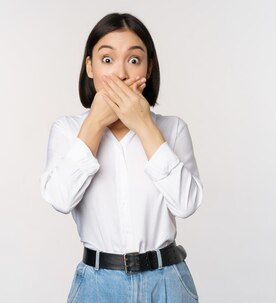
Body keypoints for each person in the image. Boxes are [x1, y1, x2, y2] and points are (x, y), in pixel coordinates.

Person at [40, 12, 203, 302]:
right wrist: (94, 123)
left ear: (148, 68)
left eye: (134, 59)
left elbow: (186, 204)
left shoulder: (172, 128)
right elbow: (60, 199)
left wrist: (143, 124)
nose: (121, 74)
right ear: (89, 67)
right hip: (97, 284)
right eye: (107, 60)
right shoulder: (67, 131)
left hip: (167, 282)